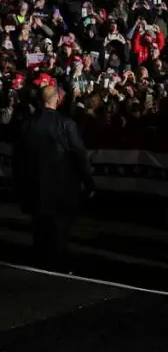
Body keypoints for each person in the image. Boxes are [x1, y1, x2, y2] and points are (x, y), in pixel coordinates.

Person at [12, 85, 95, 270]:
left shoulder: (26, 124)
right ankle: (56, 261)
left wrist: (18, 183)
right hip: (61, 186)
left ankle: (39, 259)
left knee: (39, 227)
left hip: (34, 184)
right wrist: (88, 183)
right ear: (57, 99)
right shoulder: (66, 124)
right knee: (59, 229)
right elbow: (79, 155)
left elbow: (17, 157)